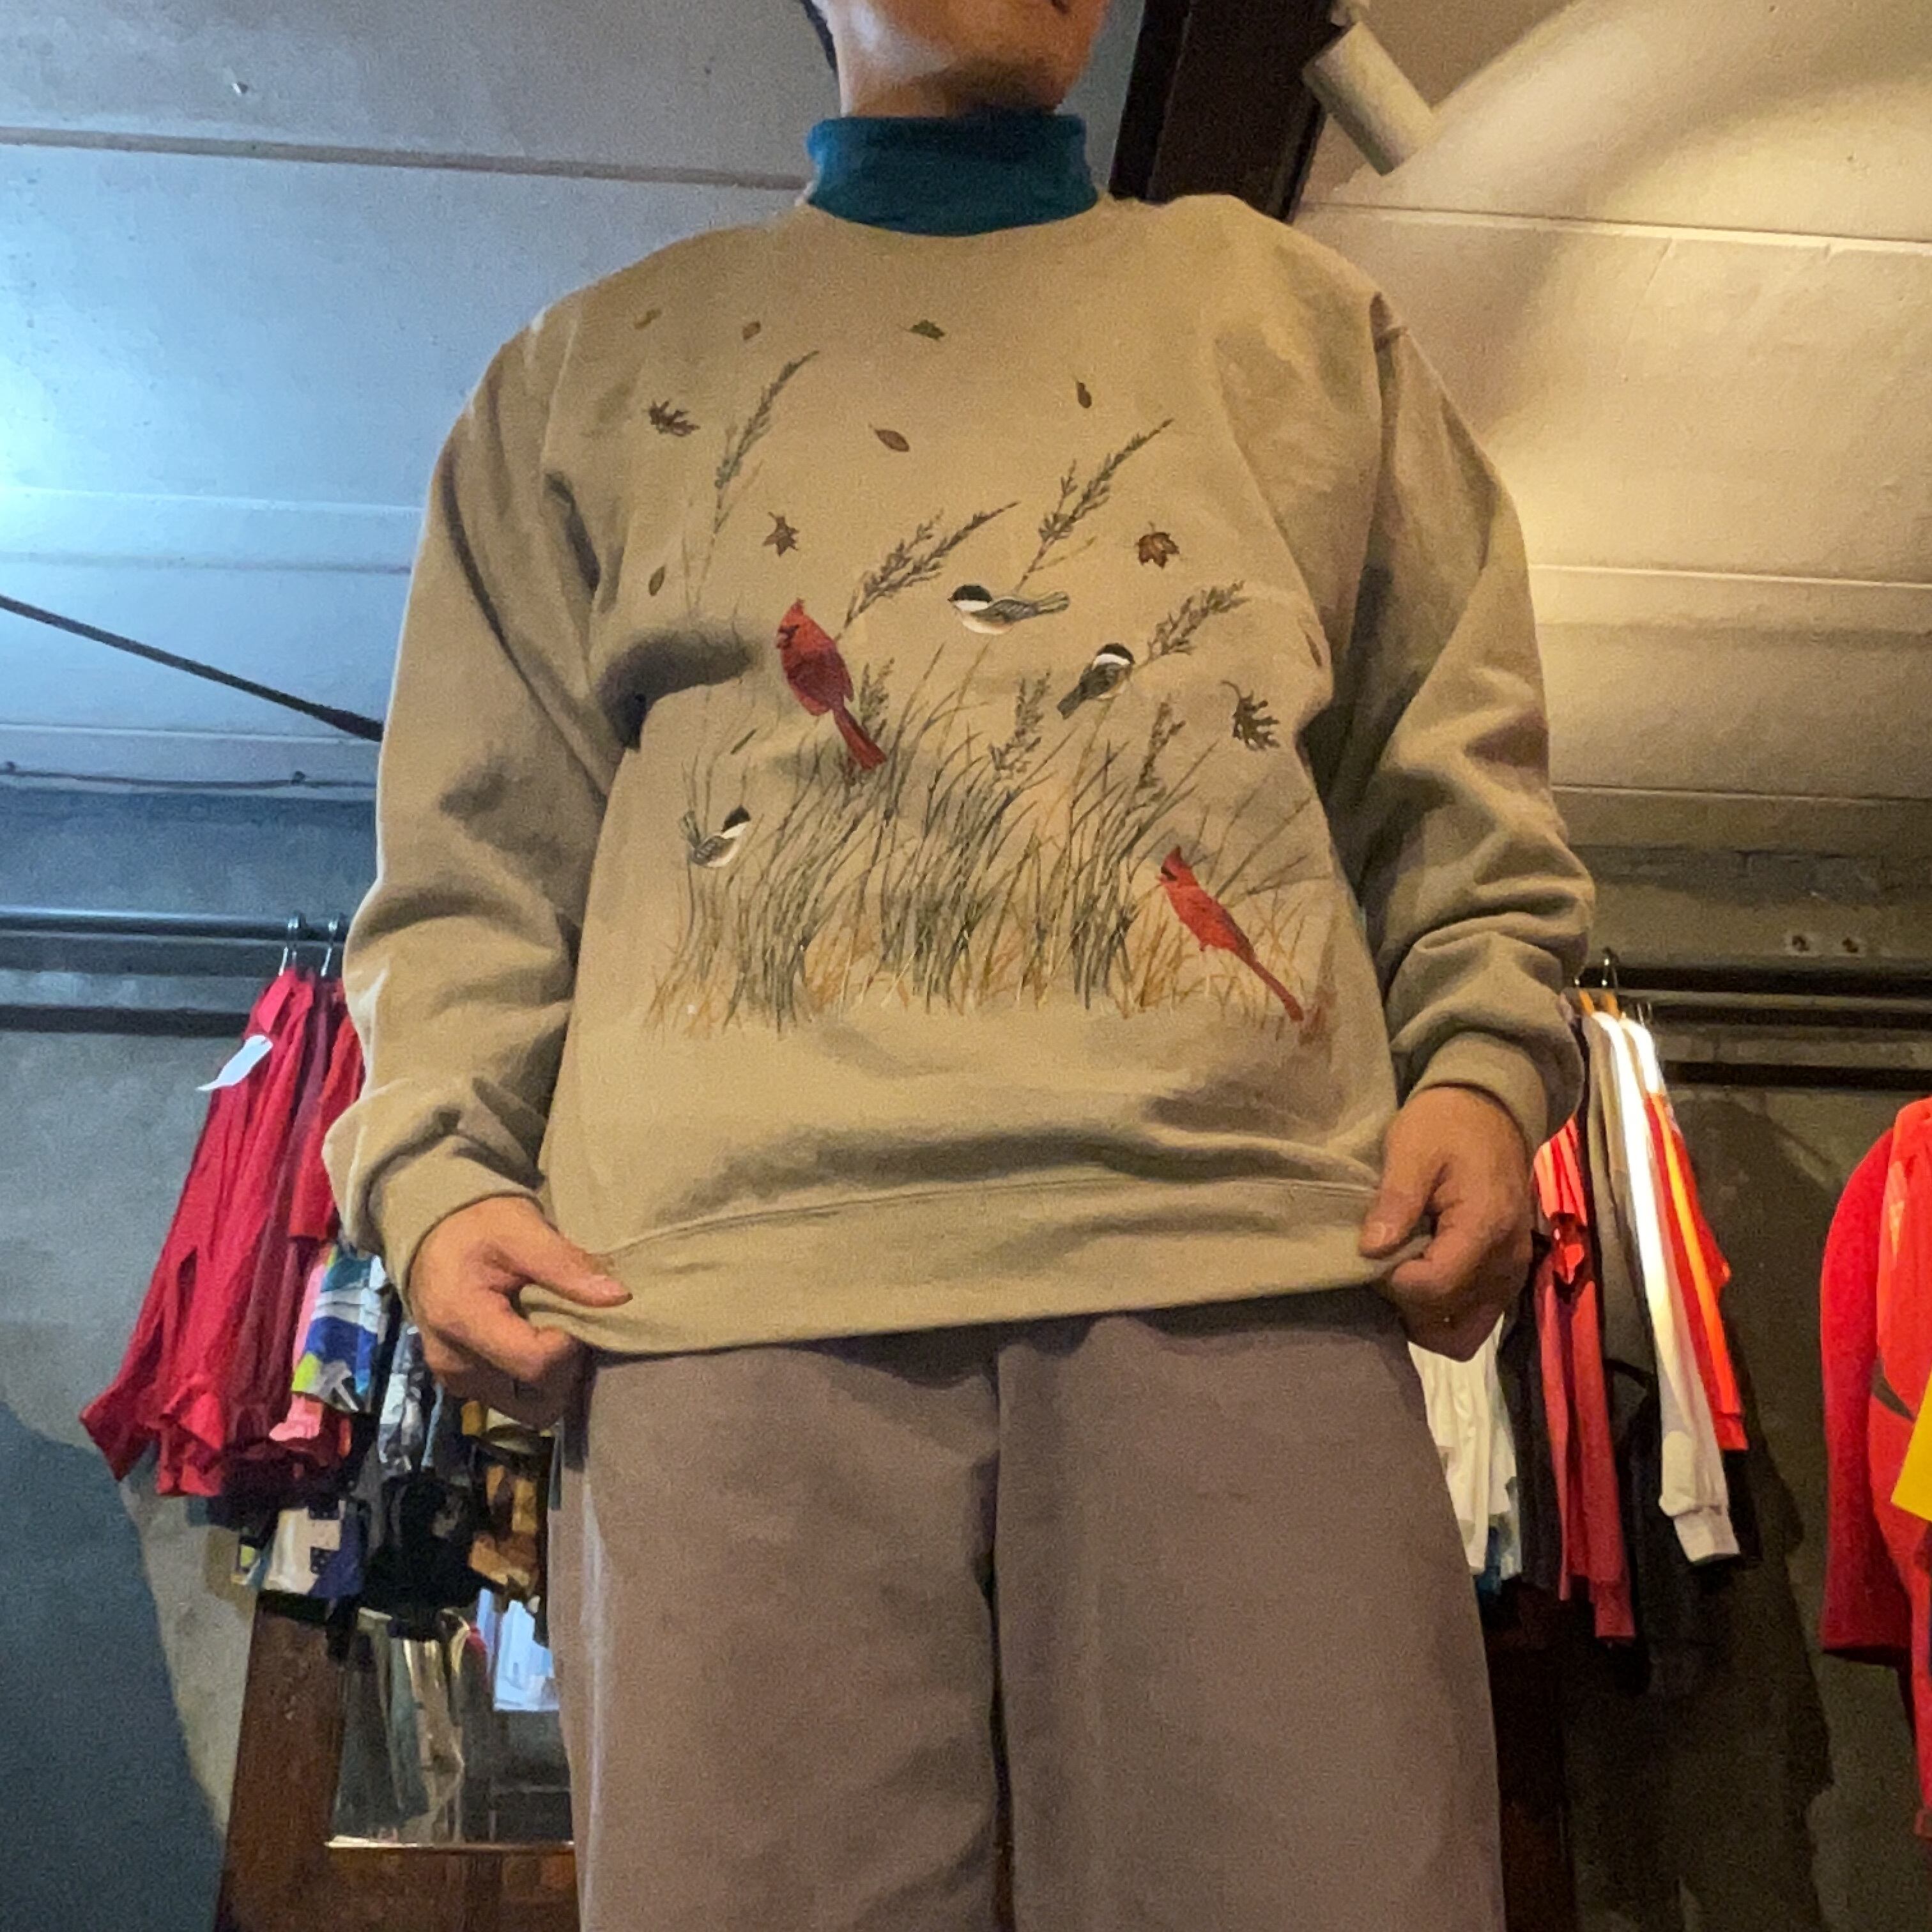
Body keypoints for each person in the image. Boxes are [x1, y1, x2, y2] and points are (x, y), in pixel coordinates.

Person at [324, 0, 1594, 1924]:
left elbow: (1456, 762)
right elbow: (473, 865)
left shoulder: (1304, 329)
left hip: (1248, 1259)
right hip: (720, 1306)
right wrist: (433, 1173)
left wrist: (1488, 1062)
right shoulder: (580, 376)